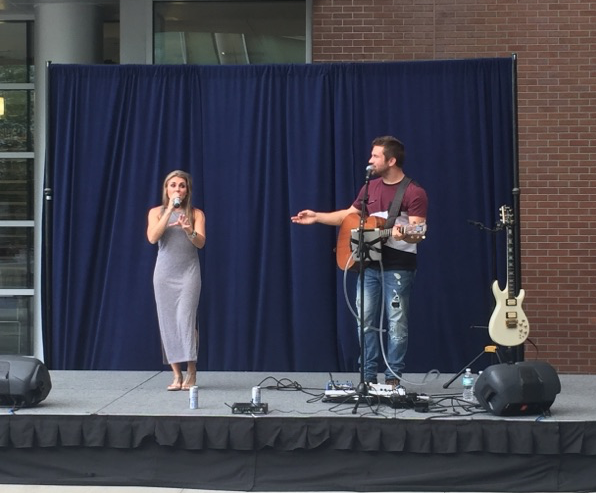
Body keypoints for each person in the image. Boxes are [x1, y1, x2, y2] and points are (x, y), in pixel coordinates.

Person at [291, 136, 428, 387]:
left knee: (396, 323)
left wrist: (405, 232)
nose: (370, 160)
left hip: (398, 266)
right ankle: (366, 377)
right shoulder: (370, 188)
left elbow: (417, 232)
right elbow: (348, 217)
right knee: (364, 320)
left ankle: (392, 379)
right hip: (368, 264)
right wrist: (316, 217)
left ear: (392, 160)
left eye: (375, 156)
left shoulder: (413, 192)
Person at [147, 170, 206, 391]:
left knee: (185, 320)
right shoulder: (156, 212)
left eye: (182, 185)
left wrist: (189, 230)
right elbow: (152, 237)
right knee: (168, 321)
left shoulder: (196, 213)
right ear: (166, 189)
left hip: (188, 272)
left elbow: (200, 243)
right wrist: (169, 210)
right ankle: (176, 374)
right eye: (173, 185)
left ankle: (191, 370)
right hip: (164, 273)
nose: (177, 189)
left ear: (187, 190)